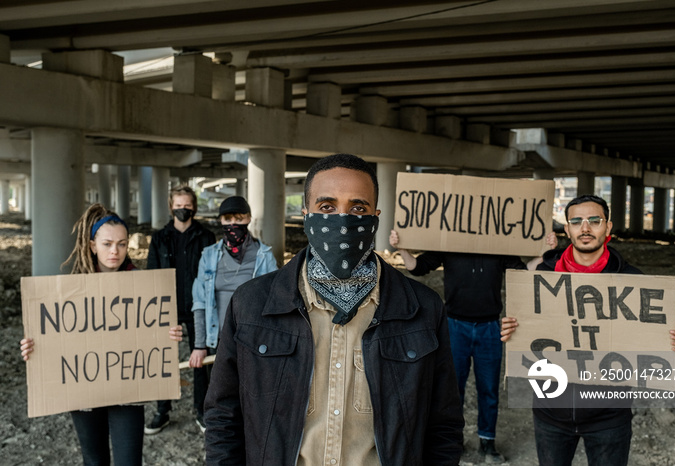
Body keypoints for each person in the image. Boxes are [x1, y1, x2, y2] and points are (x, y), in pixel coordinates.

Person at [204, 153, 464, 465]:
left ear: (375, 217)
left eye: (358, 208)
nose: (342, 219)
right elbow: (223, 417)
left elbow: (443, 425)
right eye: (327, 207)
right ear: (306, 214)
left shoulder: (422, 309)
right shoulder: (251, 305)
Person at [501, 194, 675, 466]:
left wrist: (667, 344)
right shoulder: (542, 277)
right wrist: (512, 330)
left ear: (608, 228)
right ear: (567, 230)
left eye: (594, 221)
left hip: (609, 418)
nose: (585, 228)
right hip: (550, 413)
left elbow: (647, 345)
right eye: (576, 221)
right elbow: (528, 331)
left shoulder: (634, 282)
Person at [20, 203, 184, 466]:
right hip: (85, 391)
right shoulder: (69, 291)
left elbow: (152, 334)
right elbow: (57, 337)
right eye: (107, 244)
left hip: (129, 389)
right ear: (92, 245)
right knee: (94, 461)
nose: (115, 251)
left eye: (121, 244)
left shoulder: (144, 286)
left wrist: (168, 335)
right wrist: (35, 347)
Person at [389, 227, 557, 463]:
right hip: (454, 327)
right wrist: (402, 249)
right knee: (450, 391)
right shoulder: (448, 243)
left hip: (489, 328)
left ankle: (487, 443)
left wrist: (544, 254)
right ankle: (452, 443)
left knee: (488, 390)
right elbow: (418, 267)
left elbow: (524, 271)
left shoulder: (499, 246)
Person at [188, 196, 277, 418]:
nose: (233, 224)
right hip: (218, 340)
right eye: (228, 218)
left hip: (252, 340)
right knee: (220, 396)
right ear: (220, 221)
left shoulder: (264, 256)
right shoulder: (208, 256)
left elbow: (274, 302)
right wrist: (199, 345)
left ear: (248, 218)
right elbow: (199, 303)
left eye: (239, 217)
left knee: (251, 396)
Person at [145, 185, 216, 434]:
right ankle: (162, 411)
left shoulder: (206, 237)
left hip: (198, 308)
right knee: (163, 359)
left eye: (187, 205)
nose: (182, 209)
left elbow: (212, 274)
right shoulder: (159, 238)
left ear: (194, 207)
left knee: (200, 359)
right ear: (171, 207)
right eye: (178, 205)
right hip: (167, 308)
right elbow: (151, 274)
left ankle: (201, 410)